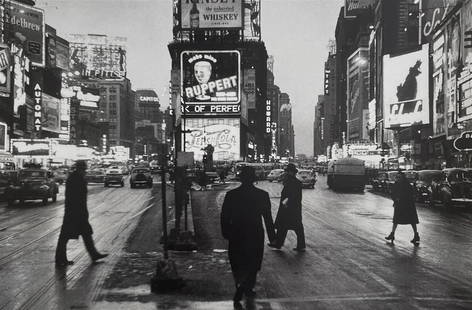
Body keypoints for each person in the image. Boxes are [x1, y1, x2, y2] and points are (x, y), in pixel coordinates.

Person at [221, 166, 276, 308]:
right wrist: (272, 236)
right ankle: (248, 287)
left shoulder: (231, 195)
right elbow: (268, 218)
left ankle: (240, 284)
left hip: (236, 232)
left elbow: (224, 216)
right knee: (253, 261)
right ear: (254, 179)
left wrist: (225, 232)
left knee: (237, 261)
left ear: (241, 178)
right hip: (255, 232)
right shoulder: (262, 195)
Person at [55, 160, 108, 267]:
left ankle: (93, 254)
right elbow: (76, 197)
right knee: (67, 236)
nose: (85, 171)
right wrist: (80, 211)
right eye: (84, 168)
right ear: (81, 168)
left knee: (84, 233)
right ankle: (61, 258)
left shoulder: (76, 177)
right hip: (75, 212)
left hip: (75, 211)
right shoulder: (76, 178)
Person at [269, 163, 306, 251]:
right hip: (293, 208)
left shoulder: (293, 182)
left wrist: (285, 203)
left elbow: (292, 196)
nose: (286, 173)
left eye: (287, 172)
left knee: (290, 226)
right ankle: (280, 243)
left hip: (290, 208)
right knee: (289, 226)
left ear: (291, 172)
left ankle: (279, 243)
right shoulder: (293, 182)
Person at [385, 170, 420, 245]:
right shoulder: (398, 184)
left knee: (411, 220)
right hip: (402, 204)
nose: (398, 178)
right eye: (397, 177)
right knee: (397, 220)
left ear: (403, 178)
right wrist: (395, 199)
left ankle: (416, 235)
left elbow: (411, 194)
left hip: (407, 205)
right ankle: (392, 234)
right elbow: (392, 193)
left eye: (399, 177)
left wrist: (398, 198)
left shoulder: (406, 185)